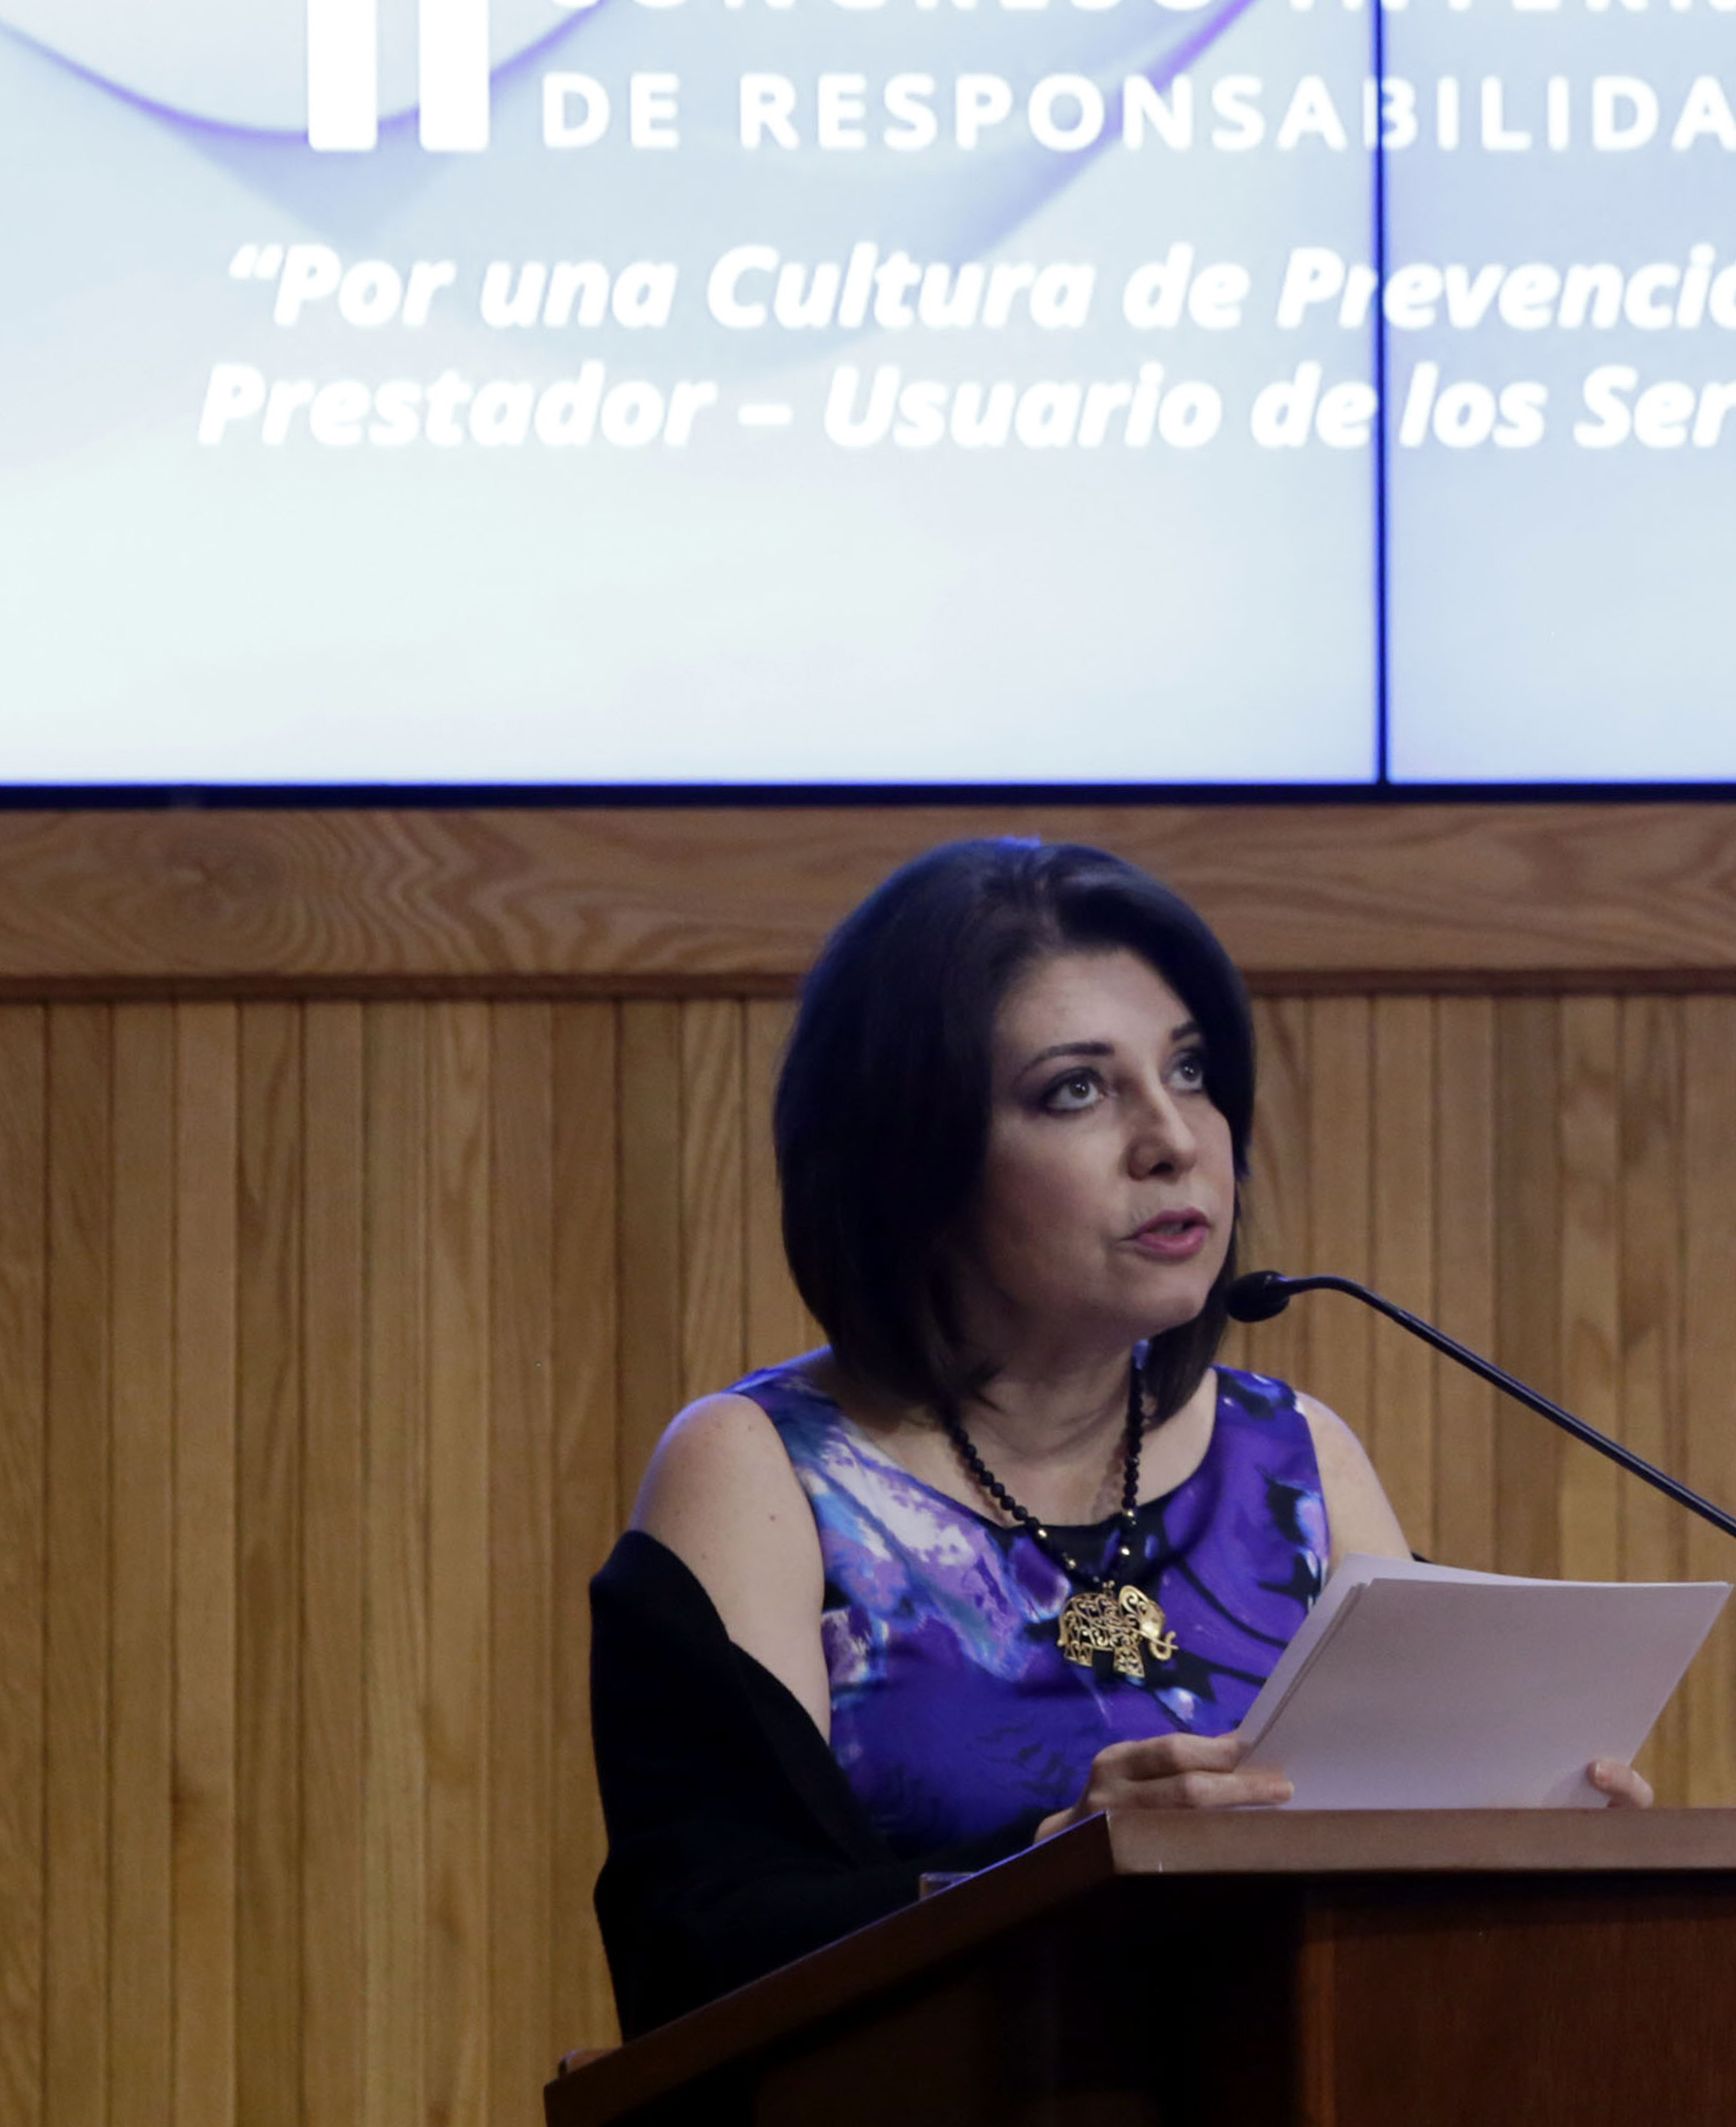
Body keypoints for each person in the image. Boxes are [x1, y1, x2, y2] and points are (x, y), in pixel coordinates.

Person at [587, 838, 1646, 2036]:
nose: (1175, 1138)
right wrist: (1046, 1871)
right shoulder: (765, 1469)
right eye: (1076, 1089)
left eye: (1190, 1071)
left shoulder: (1298, 1458)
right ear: (912, 1158)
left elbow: (1397, 1880)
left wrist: (1540, 1856)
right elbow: (704, 1942)